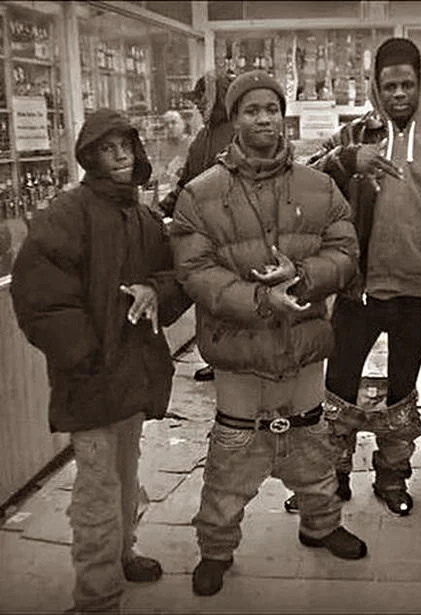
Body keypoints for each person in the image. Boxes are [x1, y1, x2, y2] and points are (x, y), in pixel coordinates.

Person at [170, 70, 366, 599]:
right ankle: (216, 548)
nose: (264, 119)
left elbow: (345, 252)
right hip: (239, 352)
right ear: (234, 119)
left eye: (272, 109)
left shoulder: (318, 186)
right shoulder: (200, 194)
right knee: (231, 456)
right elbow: (195, 271)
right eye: (252, 110)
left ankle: (321, 524)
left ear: (284, 116)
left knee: (313, 445)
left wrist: (302, 275)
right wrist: (259, 300)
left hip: (304, 346)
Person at [10, 109, 191, 613]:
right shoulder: (66, 214)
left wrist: (154, 290)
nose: (120, 156)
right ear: (90, 156)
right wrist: (84, 355)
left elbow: (175, 275)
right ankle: (97, 593)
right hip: (88, 380)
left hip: (132, 375)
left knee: (126, 473)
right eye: (108, 148)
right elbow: (40, 296)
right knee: (97, 487)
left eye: (125, 146)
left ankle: (123, 551)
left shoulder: (144, 218)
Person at [296, 38, 421, 517]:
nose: (398, 94)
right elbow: (301, 180)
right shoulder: (354, 135)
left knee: (402, 394)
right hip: (360, 290)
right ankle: (332, 477)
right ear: (375, 86)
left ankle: (393, 477)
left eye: (407, 85)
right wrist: (345, 160)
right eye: (389, 85)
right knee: (338, 388)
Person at [158, 69, 236, 383]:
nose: (198, 105)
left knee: (230, 301)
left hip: (232, 236)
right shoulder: (202, 138)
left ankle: (231, 361)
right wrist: (162, 209)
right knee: (209, 302)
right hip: (205, 237)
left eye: (202, 98)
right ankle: (217, 359)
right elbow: (186, 184)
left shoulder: (236, 133)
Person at [155, 109, 190, 186]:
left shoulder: (192, 143)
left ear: (183, 124)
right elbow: (160, 175)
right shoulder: (162, 147)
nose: (170, 127)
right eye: (166, 124)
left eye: (173, 123)